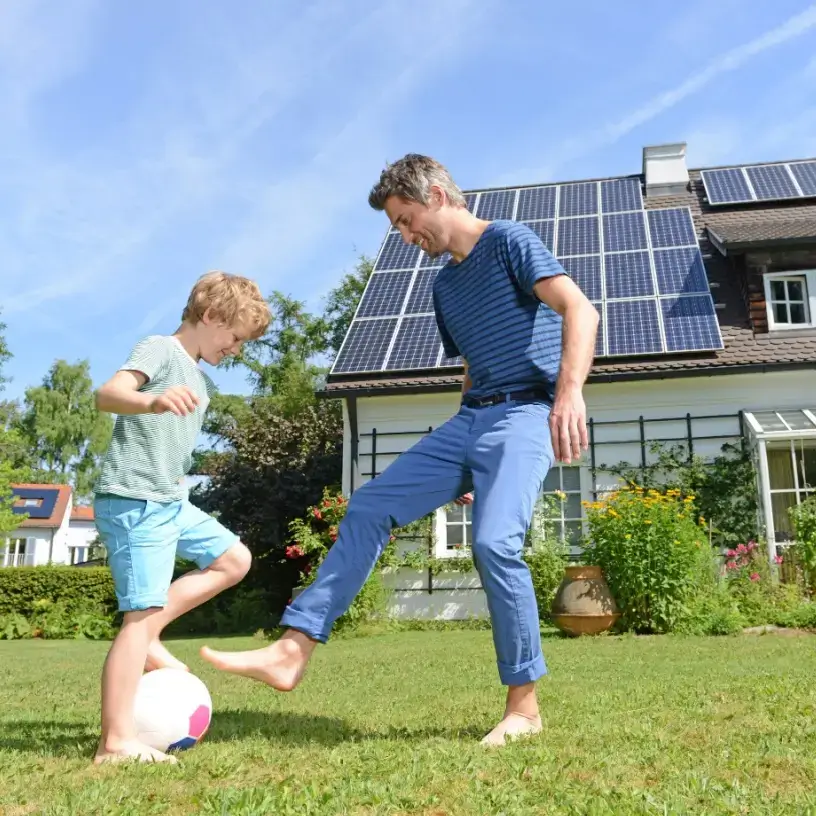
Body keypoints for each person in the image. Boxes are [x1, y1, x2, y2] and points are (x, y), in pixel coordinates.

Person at [201, 154, 599, 746]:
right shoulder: (445, 286)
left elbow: (579, 309)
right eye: (398, 227)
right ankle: (293, 648)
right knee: (368, 506)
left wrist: (568, 395)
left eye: (407, 220)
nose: (406, 236)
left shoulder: (510, 241)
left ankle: (524, 708)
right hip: (472, 420)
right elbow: (472, 369)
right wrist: (458, 456)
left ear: (438, 195)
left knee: (494, 544)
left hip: (526, 412)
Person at [91, 271, 271, 764]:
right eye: (234, 337)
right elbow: (107, 394)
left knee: (234, 559)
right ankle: (115, 742)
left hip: (170, 502)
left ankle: (146, 635)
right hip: (134, 499)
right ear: (210, 316)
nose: (236, 349)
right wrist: (151, 400)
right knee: (139, 614)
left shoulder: (198, 375)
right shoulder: (161, 349)